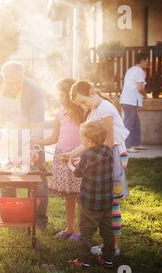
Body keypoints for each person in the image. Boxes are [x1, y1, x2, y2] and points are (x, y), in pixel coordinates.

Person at [62, 80, 129, 256]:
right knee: (108, 201)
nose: (84, 107)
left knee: (112, 202)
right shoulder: (93, 111)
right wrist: (72, 154)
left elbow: (106, 143)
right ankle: (109, 244)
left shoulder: (105, 109)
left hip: (114, 156)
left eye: (84, 102)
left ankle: (114, 247)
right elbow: (90, 142)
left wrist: (89, 160)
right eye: (80, 105)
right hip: (105, 156)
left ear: (92, 91)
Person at [0, 61, 48, 229]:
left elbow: (37, 125)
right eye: (10, 83)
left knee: (37, 178)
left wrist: (33, 148)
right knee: (6, 176)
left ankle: (39, 220)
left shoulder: (33, 91)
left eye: (17, 82)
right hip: (5, 135)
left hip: (29, 136)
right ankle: (10, 215)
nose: (13, 87)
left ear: (23, 75)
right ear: (3, 77)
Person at [33, 78, 85, 240]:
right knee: (69, 195)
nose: (60, 98)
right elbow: (54, 137)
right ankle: (70, 228)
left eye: (62, 95)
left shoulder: (84, 112)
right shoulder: (60, 113)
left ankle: (81, 231)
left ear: (71, 94)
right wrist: (36, 142)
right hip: (62, 157)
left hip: (79, 156)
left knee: (81, 195)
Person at [67, 120, 115, 268]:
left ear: (88, 140)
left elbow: (78, 173)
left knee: (86, 232)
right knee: (107, 231)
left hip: (90, 203)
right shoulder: (108, 151)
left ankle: (84, 261)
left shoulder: (87, 156)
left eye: (82, 137)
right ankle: (108, 259)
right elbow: (95, 163)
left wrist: (70, 164)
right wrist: (80, 161)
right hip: (106, 201)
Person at [120, 51, 149, 153]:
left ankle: (136, 144)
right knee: (129, 123)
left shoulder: (131, 70)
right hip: (130, 101)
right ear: (142, 60)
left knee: (136, 123)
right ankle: (126, 146)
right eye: (147, 61)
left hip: (128, 100)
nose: (148, 63)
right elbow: (140, 88)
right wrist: (146, 95)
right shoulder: (139, 71)